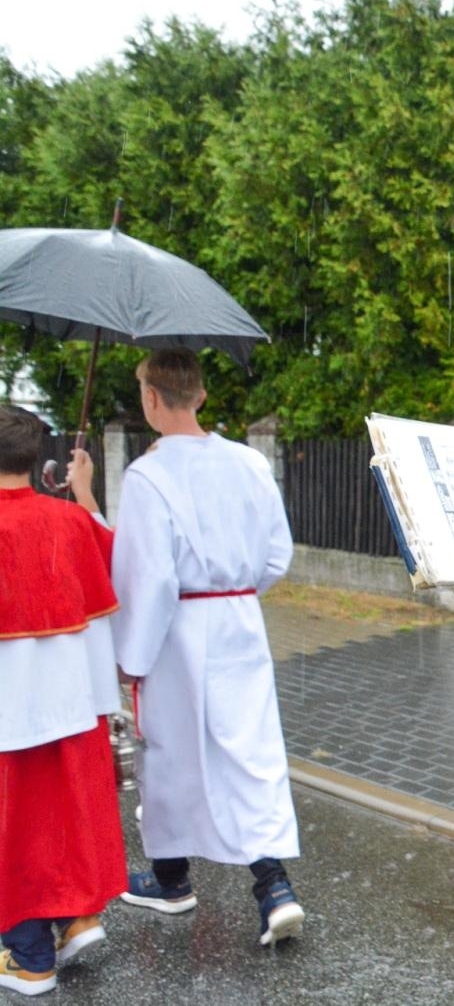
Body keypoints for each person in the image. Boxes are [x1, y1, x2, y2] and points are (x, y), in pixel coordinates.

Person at [109, 348, 305, 948]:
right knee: (250, 751)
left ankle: (172, 879)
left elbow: (150, 577)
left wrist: (129, 658)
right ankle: (274, 887)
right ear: (200, 396)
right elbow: (278, 555)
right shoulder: (249, 462)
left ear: (150, 398)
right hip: (240, 617)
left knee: (170, 753)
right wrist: (236, 592)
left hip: (178, 627)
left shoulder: (148, 476)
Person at [0, 408, 126, 997]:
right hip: (73, 697)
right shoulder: (71, 523)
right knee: (60, 813)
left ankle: (30, 959)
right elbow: (117, 562)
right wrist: (85, 495)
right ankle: (77, 914)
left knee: (15, 826)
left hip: (10, 705)